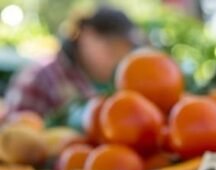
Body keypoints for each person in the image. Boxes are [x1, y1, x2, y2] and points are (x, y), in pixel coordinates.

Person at [4, 7, 139, 118]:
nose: (117, 61)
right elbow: (14, 138)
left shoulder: (111, 85)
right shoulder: (38, 79)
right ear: (86, 36)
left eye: (124, 54)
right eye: (112, 50)